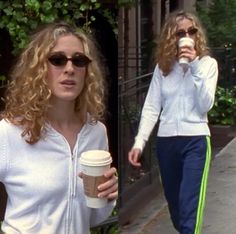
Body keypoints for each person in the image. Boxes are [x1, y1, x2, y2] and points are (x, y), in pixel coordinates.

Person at [0, 22, 118, 234]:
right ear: (39, 68)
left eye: (79, 61)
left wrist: (107, 197)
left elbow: (94, 217)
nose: (70, 69)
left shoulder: (96, 132)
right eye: (57, 60)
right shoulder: (10, 132)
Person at [128, 10, 218, 234]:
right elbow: (151, 107)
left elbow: (205, 105)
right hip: (167, 142)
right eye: (181, 32)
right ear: (172, 37)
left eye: (192, 31)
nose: (187, 35)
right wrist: (140, 142)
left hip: (195, 141)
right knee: (176, 207)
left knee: (190, 207)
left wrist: (193, 65)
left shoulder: (207, 65)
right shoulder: (163, 68)